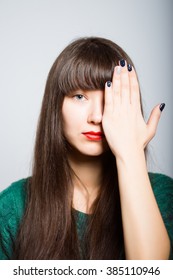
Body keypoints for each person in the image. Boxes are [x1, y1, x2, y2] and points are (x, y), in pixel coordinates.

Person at [0, 37, 173, 260]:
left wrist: (131, 152)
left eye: (110, 98)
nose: (97, 116)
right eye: (80, 96)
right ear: (55, 107)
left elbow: (150, 272)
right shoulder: (12, 208)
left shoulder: (163, 197)